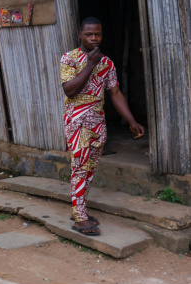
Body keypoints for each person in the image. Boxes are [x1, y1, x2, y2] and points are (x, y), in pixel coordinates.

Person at [60, 17, 145, 235]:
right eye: (88, 34)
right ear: (80, 34)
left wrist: (131, 120)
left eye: (97, 34)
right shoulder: (69, 59)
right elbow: (69, 90)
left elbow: (115, 93)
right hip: (77, 122)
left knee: (89, 169)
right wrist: (90, 64)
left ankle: (79, 210)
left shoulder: (107, 63)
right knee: (79, 167)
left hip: (98, 123)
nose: (93, 38)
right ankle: (79, 218)